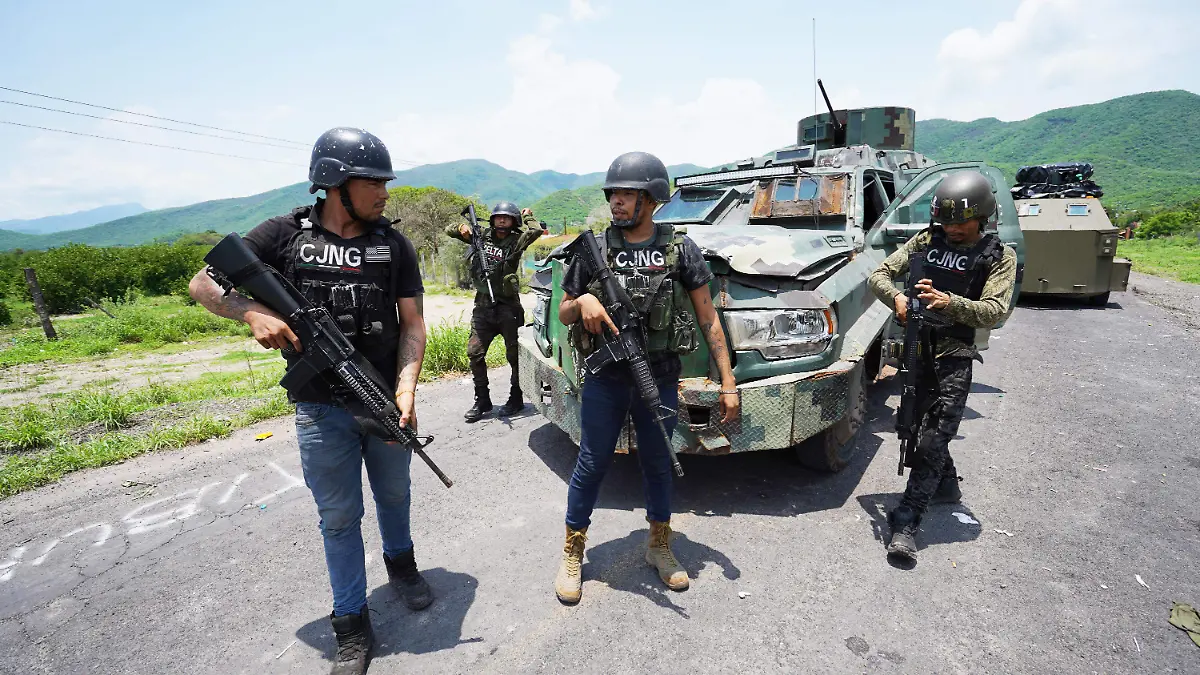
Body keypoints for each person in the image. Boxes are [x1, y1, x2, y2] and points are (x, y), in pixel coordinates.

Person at [189, 127, 431, 674]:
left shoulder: (393, 244)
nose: (385, 193)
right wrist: (250, 312)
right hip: (321, 409)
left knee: (395, 496)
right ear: (336, 183)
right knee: (339, 518)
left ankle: (403, 565)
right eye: (375, 183)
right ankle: (350, 624)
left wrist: (407, 388)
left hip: (385, 402)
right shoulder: (281, 234)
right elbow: (202, 286)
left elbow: (413, 326)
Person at [552, 151, 740, 603]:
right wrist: (583, 305)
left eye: (626, 193)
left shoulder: (680, 249)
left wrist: (728, 385)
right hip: (606, 378)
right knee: (592, 463)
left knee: (659, 464)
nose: (616, 201)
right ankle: (573, 552)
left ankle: (659, 544)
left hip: (659, 375)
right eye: (613, 193)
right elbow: (563, 309)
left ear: (651, 199)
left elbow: (709, 319)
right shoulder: (593, 248)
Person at [867, 170, 1017, 562]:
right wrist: (897, 299)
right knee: (916, 425)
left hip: (954, 354)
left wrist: (950, 303)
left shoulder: (999, 256)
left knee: (934, 437)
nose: (951, 229)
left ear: (982, 215)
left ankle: (906, 521)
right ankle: (946, 485)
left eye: (960, 222)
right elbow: (879, 275)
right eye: (945, 222)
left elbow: (996, 312)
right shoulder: (924, 241)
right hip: (917, 349)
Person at [445, 201, 543, 421]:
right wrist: (461, 228)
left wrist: (528, 215)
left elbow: (536, 230)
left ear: (513, 221)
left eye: (506, 218)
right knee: (474, 353)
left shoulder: (517, 241)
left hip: (508, 307)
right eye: (498, 217)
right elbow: (449, 229)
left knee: (514, 357)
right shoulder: (481, 237)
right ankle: (482, 400)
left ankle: (516, 398)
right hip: (483, 307)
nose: (501, 221)